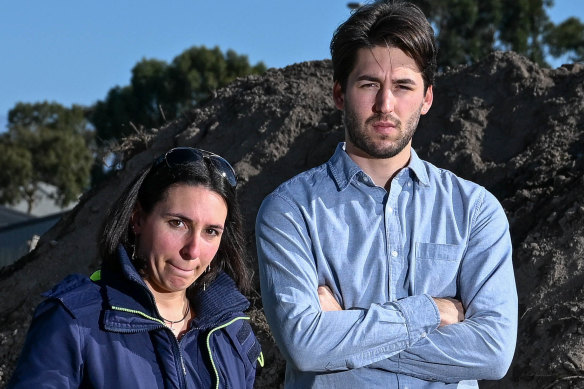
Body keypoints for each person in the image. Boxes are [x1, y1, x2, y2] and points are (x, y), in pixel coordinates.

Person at [255, 1, 517, 388]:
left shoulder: (475, 211)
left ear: (427, 98)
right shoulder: (290, 211)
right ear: (340, 95)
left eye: (403, 86)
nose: (385, 104)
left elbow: (493, 353)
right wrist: (427, 311)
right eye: (369, 84)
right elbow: (306, 347)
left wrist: (344, 336)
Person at [8, 147, 263, 388]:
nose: (193, 251)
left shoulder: (233, 332)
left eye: (211, 231)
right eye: (177, 223)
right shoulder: (73, 320)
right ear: (138, 219)